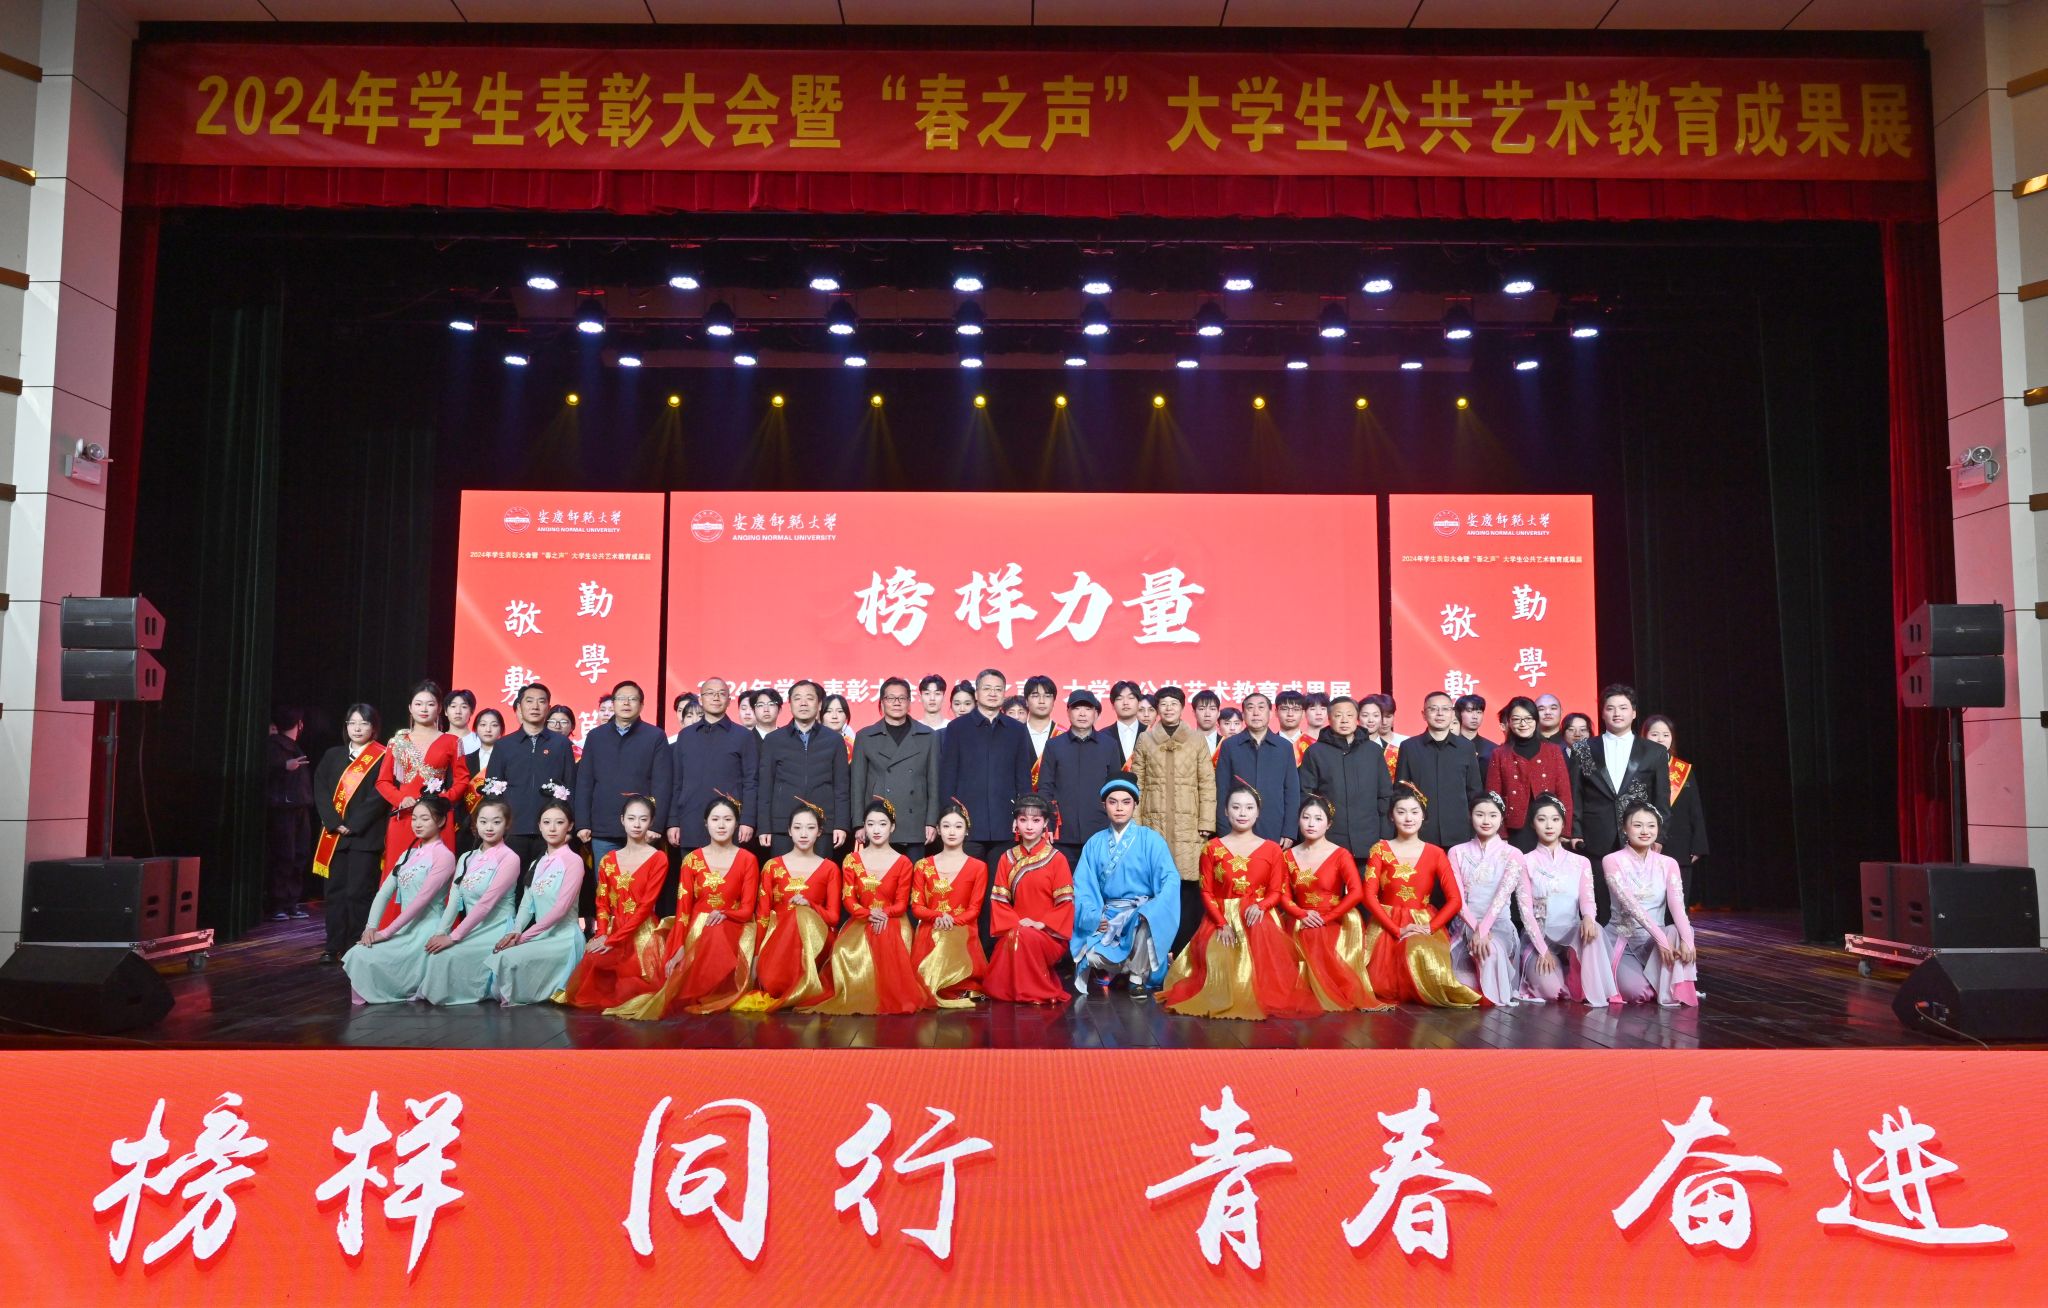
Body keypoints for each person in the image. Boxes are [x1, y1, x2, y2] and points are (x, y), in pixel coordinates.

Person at [1157, 784, 1319, 1020]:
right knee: (1219, 964)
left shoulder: (1272, 849)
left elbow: (1276, 891)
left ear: (1258, 812)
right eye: (1236, 807)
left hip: (1259, 917)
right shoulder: (1211, 848)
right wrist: (1221, 923)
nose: (1242, 813)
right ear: (1226, 811)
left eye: (1249, 808)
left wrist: (1261, 906)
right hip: (1220, 918)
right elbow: (1206, 892)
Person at [617, 794, 762, 1019]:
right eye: (715, 819)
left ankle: (716, 990)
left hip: (734, 924)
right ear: (706, 823)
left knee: (716, 930)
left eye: (727, 820)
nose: (721, 825)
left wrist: (725, 914)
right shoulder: (692, 860)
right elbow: (683, 910)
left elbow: (747, 909)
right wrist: (679, 947)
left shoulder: (748, 859)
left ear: (736, 824)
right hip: (696, 929)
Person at [804, 799, 934, 1014]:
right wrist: (868, 913)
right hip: (861, 919)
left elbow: (902, 904)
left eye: (882, 824)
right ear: (864, 827)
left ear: (892, 827)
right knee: (844, 952)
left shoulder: (903, 862)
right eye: (870, 824)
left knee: (886, 936)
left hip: (893, 920)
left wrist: (882, 913)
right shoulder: (852, 860)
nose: (876, 830)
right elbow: (848, 900)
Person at [1362, 783, 1481, 1008]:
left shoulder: (1436, 853)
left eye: (1414, 812)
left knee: (1423, 960)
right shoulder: (1380, 849)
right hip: (1386, 922)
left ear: (1423, 816)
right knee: (1377, 984)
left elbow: (1455, 900)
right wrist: (1397, 929)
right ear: (1391, 816)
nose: (1408, 818)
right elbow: (1369, 896)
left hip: (1422, 923)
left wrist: (1429, 928)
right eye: (1401, 812)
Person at [558, 794, 671, 1010]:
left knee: (630, 990)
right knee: (593, 963)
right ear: (622, 820)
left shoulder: (658, 858)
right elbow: (601, 902)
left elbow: (646, 906)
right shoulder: (609, 859)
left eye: (643, 819)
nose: (636, 824)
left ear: (651, 822)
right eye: (631, 818)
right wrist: (602, 934)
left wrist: (611, 940)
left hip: (643, 932)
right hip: (613, 928)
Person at [1070, 777, 1180, 996]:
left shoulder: (1152, 840)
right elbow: (1082, 887)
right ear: (1104, 805)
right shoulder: (1094, 843)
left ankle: (1136, 976)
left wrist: (1153, 909)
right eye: (1113, 802)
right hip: (1109, 915)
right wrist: (1094, 916)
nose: (1119, 808)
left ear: (1135, 804)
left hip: (1140, 913)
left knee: (1147, 923)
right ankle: (1127, 968)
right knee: (1089, 956)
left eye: (1126, 802)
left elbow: (1170, 879)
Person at [342, 794, 456, 1004]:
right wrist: (371, 927)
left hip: (426, 930)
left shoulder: (444, 856)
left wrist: (386, 933)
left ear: (440, 821)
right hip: (404, 928)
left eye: (425, 819)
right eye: (414, 818)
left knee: (369, 956)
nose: (417, 824)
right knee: (358, 953)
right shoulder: (407, 855)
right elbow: (384, 893)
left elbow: (421, 900)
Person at [1279, 794, 1388, 1012]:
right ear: (1298, 820)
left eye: (1318, 818)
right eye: (1306, 817)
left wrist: (1327, 917)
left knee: (1317, 936)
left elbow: (1356, 892)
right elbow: (1282, 894)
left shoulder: (1340, 854)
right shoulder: (1287, 856)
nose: (1311, 824)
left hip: (1334, 918)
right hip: (1300, 916)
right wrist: (1301, 914)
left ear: (1328, 824)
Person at [1133, 685, 1217, 953]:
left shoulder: (1196, 740)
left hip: (1189, 826)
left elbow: (1207, 783)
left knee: (1187, 888)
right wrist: (1136, 824)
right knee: (1154, 888)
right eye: (1164, 704)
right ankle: (1154, 954)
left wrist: (1206, 823)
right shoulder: (1146, 739)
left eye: (1174, 703)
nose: (1168, 708)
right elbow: (1137, 784)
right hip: (1153, 824)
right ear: (1157, 708)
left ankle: (1184, 954)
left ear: (1182, 708)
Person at [418, 798, 523, 1005]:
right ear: (475, 824)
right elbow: (454, 899)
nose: (489, 828)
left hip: (497, 929)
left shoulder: (510, 858)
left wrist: (454, 937)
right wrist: (441, 932)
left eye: (496, 822)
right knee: (432, 952)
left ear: (507, 824)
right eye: (483, 822)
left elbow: (486, 903)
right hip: (472, 929)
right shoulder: (466, 857)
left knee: (445, 956)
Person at [1518, 795, 1618, 1006]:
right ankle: (1568, 976)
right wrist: (1543, 950)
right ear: (1533, 824)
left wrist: (1589, 918)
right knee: (1553, 991)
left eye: (1555, 819)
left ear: (1563, 824)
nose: (1549, 825)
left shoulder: (1580, 862)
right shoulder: (1525, 861)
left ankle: (1580, 977)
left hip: (1572, 937)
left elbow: (1587, 900)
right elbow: (1525, 912)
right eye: (1542, 819)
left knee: (1594, 929)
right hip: (1541, 940)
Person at [742, 801, 841, 1011]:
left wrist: (810, 905)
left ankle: (805, 979)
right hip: (777, 941)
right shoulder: (772, 867)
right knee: (772, 983)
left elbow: (833, 918)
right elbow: (762, 915)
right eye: (797, 827)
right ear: (789, 831)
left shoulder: (830, 868)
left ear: (819, 832)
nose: (803, 834)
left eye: (810, 828)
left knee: (801, 913)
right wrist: (756, 956)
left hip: (815, 944)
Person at [312, 703, 392, 964]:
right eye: (352, 723)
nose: (357, 728)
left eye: (364, 723)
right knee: (334, 893)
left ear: (374, 727)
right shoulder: (332, 755)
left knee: (359, 892)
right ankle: (332, 945)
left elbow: (380, 795)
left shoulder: (382, 756)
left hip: (365, 836)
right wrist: (334, 821)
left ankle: (356, 944)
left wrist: (355, 824)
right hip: (334, 836)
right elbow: (321, 789)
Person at [485, 801, 585, 1005]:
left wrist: (523, 938)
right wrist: (515, 931)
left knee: (506, 958)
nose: (552, 828)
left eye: (559, 822)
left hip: (564, 939)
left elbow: (560, 910)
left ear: (570, 826)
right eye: (546, 822)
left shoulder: (574, 861)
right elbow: (526, 905)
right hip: (541, 936)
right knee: (500, 954)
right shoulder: (536, 863)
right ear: (539, 826)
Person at [937, 667, 1034, 875]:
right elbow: (947, 778)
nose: (993, 693)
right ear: (977, 693)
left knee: (999, 886)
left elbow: (1023, 778)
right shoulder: (957, 728)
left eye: (998, 689)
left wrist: (1022, 815)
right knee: (966, 883)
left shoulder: (1016, 730)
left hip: (1004, 822)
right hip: (967, 824)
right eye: (987, 688)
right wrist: (951, 817)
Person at [1445, 792, 1538, 1007]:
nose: (1486, 821)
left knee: (1490, 951)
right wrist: (1475, 929)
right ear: (1470, 816)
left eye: (1493, 815)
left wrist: (1483, 930)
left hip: (1498, 924)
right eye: (1480, 814)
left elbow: (1501, 898)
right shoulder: (1456, 852)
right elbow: (1457, 898)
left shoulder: (1513, 854)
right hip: (1465, 924)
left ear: (1501, 818)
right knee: (1463, 986)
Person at [1602, 801, 1699, 1007]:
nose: (1645, 831)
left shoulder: (1668, 863)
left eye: (1651, 825)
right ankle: (1665, 982)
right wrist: (1661, 939)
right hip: (1624, 941)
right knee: (1638, 992)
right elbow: (1631, 906)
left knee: (1680, 931)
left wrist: (1688, 941)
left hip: (1656, 944)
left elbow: (1678, 908)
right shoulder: (1612, 860)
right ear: (1625, 828)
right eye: (1637, 825)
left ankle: (1668, 982)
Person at [374, 680, 471, 875]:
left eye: (430, 704)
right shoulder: (397, 741)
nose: (424, 709)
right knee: (400, 871)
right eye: (418, 704)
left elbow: (462, 779)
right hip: (405, 814)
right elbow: (382, 781)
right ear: (410, 708)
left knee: (436, 873)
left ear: (439, 708)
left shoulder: (452, 741)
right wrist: (400, 799)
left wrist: (444, 799)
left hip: (437, 816)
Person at [984, 794, 1074, 1004]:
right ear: (1015, 823)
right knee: (1019, 937)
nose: (1030, 826)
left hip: (1049, 934)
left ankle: (1034, 990)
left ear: (1045, 823)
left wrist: (1041, 924)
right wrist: (1017, 925)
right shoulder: (1006, 858)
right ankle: (1021, 990)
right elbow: (999, 901)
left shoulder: (1057, 859)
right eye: (1023, 820)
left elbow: (1065, 904)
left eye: (1036, 820)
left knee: (1023, 937)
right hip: (1015, 929)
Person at [574, 680, 672, 873]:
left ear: (641, 705)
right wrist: (582, 823)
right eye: (621, 698)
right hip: (603, 828)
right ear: (613, 703)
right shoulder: (595, 736)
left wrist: (656, 825)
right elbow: (585, 782)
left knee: (640, 886)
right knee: (605, 885)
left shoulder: (655, 736)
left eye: (632, 699)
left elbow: (662, 784)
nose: (626, 703)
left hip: (641, 829)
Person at [481, 681, 573, 877]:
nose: (535, 706)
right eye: (529, 701)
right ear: (519, 707)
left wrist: (569, 828)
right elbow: (492, 790)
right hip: (512, 829)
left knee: (546, 884)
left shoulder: (561, 744)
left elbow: (570, 786)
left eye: (541, 701)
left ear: (548, 707)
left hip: (550, 831)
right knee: (510, 884)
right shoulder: (504, 745)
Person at [665, 677, 760, 866]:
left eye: (721, 694)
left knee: (729, 880)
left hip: (730, 825)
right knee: (692, 879)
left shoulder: (743, 736)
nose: (716, 697)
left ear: (729, 700)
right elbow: (676, 782)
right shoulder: (686, 736)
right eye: (710, 693)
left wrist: (748, 820)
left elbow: (751, 782)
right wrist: (673, 821)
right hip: (691, 822)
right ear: (701, 699)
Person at [1577, 685, 1672, 874]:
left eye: (1623, 708)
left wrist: (1660, 836)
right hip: (1594, 836)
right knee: (1597, 890)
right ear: (1602, 713)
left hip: (1640, 836)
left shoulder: (1655, 751)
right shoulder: (1583, 748)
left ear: (1634, 713)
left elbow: (1661, 797)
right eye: (1610, 708)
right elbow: (1576, 793)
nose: (1617, 714)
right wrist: (1575, 832)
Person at [758, 680, 852, 860]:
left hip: (822, 825)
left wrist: (840, 825)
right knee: (783, 876)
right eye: (797, 698)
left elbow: (841, 787)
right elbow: (765, 787)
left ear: (819, 704)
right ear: (790, 703)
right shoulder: (773, 740)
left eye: (809, 698)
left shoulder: (834, 740)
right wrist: (764, 826)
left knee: (820, 875)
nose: (803, 703)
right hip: (782, 825)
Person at [851, 677, 941, 860]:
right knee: (878, 877)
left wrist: (932, 821)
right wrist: (859, 823)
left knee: (914, 876)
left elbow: (934, 783)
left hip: (915, 823)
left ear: (909, 702)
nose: (897, 703)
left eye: (902, 698)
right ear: (882, 702)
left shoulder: (928, 736)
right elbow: (857, 784)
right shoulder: (865, 736)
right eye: (891, 698)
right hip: (878, 822)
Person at [910, 801, 988, 1008]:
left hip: (962, 926)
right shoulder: (923, 865)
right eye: (946, 826)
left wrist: (952, 920)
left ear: (967, 831)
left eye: (958, 826)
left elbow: (974, 909)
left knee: (950, 937)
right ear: (938, 829)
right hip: (931, 927)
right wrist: (938, 917)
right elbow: (917, 907)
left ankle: (956, 985)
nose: (952, 832)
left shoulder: (978, 867)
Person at [1299, 696, 1391, 863]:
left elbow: (1385, 794)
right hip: (1328, 840)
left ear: (1357, 718)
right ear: (1329, 718)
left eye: (1349, 715)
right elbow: (1306, 794)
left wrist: (1384, 834)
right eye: (1338, 715)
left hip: (1368, 840)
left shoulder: (1373, 751)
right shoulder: (1315, 752)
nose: (1344, 720)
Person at [1035, 689, 1119, 871]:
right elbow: (1045, 787)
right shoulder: (1054, 745)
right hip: (1062, 833)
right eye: (1077, 708)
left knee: (1100, 882)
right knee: (1064, 883)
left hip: (1100, 830)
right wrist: (1048, 823)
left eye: (1088, 709)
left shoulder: (1109, 745)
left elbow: (1115, 788)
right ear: (1068, 712)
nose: (1082, 714)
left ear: (1096, 713)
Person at [1486, 696, 1577, 852]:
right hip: (1514, 827)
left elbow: (1564, 793)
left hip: (1550, 824)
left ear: (1536, 720)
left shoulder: (1553, 751)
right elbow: (1494, 797)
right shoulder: (1499, 754)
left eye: (1528, 718)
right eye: (1516, 719)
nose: (1523, 724)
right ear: (1509, 722)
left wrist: (1565, 830)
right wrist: (1500, 833)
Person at [1394, 691, 1484, 848]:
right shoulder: (1409, 747)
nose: (1440, 713)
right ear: (1424, 714)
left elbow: (1474, 791)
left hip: (1459, 832)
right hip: (1419, 833)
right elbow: (1401, 790)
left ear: (1453, 713)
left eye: (1445, 709)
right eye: (1433, 709)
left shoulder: (1466, 747)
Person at [1213, 692, 1299, 847]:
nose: (1256, 713)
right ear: (1243, 714)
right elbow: (1221, 790)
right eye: (1250, 708)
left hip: (1274, 827)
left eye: (1261, 707)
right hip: (1236, 826)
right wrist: (1224, 830)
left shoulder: (1284, 747)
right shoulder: (1230, 746)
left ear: (1270, 713)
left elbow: (1291, 792)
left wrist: (1289, 830)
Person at [1643, 714, 1711, 907]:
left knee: (1678, 904)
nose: (1660, 739)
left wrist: (1698, 844)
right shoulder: (1637, 768)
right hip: (1646, 842)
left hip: (1680, 844)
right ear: (1644, 737)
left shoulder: (1683, 769)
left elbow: (1695, 809)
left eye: (1666, 735)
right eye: (1654, 734)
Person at [266, 707, 316, 921]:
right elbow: (264, 771)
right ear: (299, 724)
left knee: (300, 854)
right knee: (284, 855)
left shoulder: (294, 746)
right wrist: (283, 766)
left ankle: (291, 902)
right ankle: (278, 904)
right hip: (284, 808)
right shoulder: (273, 745)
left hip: (300, 806)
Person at [1021, 674, 1062, 787]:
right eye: (1035, 695)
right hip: (1022, 797)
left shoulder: (1064, 735)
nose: (1042, 701)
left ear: (1054, 701)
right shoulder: (1015, 735)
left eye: (1047, 696)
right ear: (1026, 701)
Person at [464, 709, 503, 823]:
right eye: (483, 725)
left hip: (499, 817)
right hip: (470, 820)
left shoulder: (508, 759)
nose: (488, 729)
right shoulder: (466, 760)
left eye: (494, 725)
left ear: (501, 730)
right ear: (475, 729)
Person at [1360, 693, 1403, 782]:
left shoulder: (1399, 748)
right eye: (1365, 715)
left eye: (1375, 715)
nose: (1384, 722)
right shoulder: (1350, 747)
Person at [1108, 680, 1145, 769]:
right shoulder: (1103, 735)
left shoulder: (1151, 733)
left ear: (1139, 703)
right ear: (1113, 705)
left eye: (1131, 698)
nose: (1125, 703)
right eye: (1119, 699)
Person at [1453, 693, 1497, 768]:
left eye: (1479, 712)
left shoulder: (1493, 749)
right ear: (1458, 714)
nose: (1475, 717)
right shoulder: (1449, 745)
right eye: (1469, 711)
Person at [1273, 689, 1311, 764]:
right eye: (1284, 709)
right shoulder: (1268, 744)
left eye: (1296, 709)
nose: (1290, 714)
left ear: (1303, 713)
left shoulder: (1311, 745)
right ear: (1276, 712)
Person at [821, 692, 856, 762]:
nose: (834, 716)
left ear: (846, 716)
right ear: (821, 716)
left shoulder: (854, 745)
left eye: (840, 711)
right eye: (829, 711)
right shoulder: (812, 743)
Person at [444, 689, 480, 755]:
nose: (458, 711)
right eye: (453, 706)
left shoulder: (480, 741)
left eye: (464, 707)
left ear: (472, 711)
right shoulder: (438, 740)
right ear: (446, 711)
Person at [1191, 689, 1223, 762]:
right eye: (1202, 709)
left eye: (1212, 709)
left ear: (1218, 713)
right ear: (1194, 713)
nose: (1207, 714)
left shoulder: (1226, 744)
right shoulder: (1183, 743)